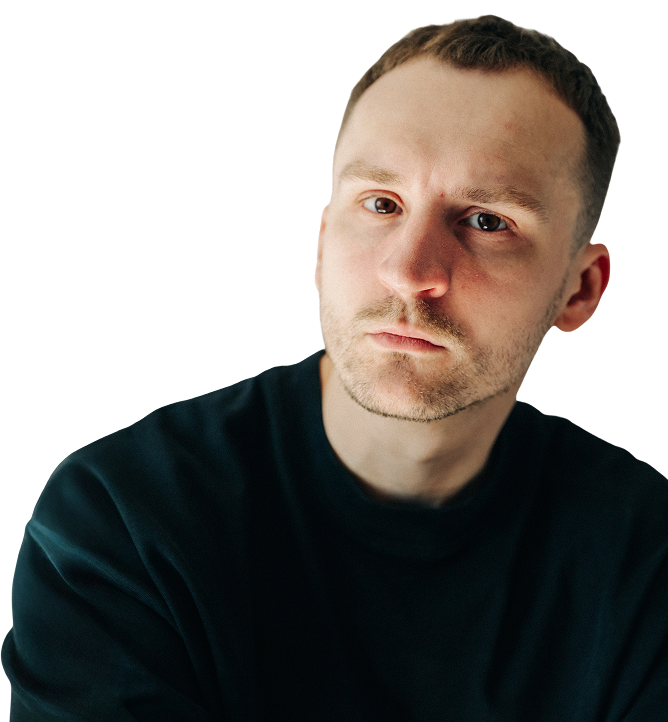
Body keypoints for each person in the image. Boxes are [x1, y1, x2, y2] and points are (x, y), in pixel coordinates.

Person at [2, 15, 666, 721]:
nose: (409, 271)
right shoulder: (123, 520)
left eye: (486, 221)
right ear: (320, 245)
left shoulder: (647, 552)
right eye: (381, 204)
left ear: (580, 289)